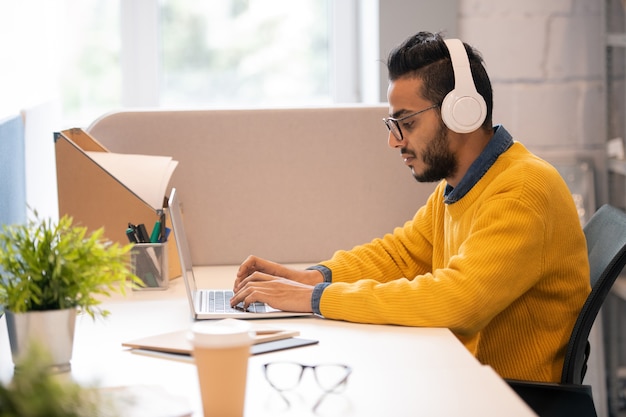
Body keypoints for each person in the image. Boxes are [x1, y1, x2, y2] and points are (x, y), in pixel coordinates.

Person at [230, 31, 590, 383]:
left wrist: (315, 299)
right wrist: (313, 277)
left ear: (461, 112)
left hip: (510, 401)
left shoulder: (522, 189)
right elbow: (400, 255)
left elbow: (458, 300)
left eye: (407, 123)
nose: (393, 141)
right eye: (393, 124)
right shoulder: (462, 185)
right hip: (466, 381)